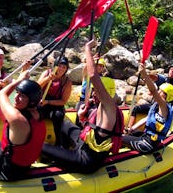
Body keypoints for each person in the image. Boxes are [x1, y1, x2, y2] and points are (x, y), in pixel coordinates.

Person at [41, 39, 124, 174]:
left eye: (96, 91)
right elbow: (96, 131)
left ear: (106, 92)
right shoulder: (102, 107)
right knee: (65, 125)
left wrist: (87, 49)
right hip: (85, 146)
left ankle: (61, 155)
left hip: (85, 160)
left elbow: (93, 76)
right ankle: (64, 146)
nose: (93, 93)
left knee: (40, 147)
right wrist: (81, 117)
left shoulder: (109, 106)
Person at [122, 63, 173, 154]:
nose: (158, 92)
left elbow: (153, 90)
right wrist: (131, 129)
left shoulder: (164, 107)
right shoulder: (157, 106)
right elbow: (146, 119)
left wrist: (144, 74)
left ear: (166, 96)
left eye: (161, 91)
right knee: (130, 133)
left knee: (119, 138)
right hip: (146, 136)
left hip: (149, 143)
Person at [126, 63, 173, 132]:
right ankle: (129, 128)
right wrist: (145, 74)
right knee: (136, 108)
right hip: (154, 104)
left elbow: (172, 101)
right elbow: (154, 77)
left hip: (162, 108)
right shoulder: (164, 79)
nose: (172, 71)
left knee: (151, 116)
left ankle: (141, 132)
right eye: (171, 69)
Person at [37, 56, 72, 145]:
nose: (61, 69)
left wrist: (48, 102)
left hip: (55, 105)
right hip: (42, 101)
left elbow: (63, 101)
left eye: (64, 67)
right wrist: (48, 79)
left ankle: (58, 142)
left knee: (58, 115)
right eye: (59, 66)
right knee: (35, 112)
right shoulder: (47, 73)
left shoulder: (67, 82)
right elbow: (36, 87)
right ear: (55, 66)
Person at [75, 56, 115, 127]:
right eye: (97, 65)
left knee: (93, 114)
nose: (98, 67)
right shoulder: (87, 76)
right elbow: (85, 70)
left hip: (94, 103)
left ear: (103, 68)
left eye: (101, 66)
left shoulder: (103, 80)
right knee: (79, 115)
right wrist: (91, 61)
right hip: (83, 101)